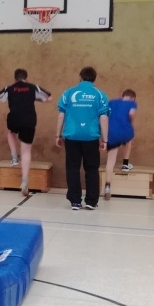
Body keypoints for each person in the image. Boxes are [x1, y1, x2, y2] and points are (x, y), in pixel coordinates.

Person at [55, 67, 110, 210]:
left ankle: (75, 201)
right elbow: (104, 118)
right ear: (94, 79)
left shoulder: (68, 93)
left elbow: (61, 115)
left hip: (72, 136)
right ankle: (91, 201)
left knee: (72, 168)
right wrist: (105, 140)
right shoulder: (100, 95)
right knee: (92, 169)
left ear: (80, 76)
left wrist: (58, 135)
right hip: (91, 137)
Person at [0, 69, 52, 196]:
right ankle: (25, 181)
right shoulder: (33, 87)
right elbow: (49, 98)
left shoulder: (9, 88)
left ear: (15, 79)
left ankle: (14, 156)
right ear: (26, 78)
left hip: (14, 119)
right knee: (26, 151)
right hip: (29, 121)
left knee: (10, 132)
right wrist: (36, 98)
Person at [103, 89, 138, 199]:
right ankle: (125, 164)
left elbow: (105, 115)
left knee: (111, 160)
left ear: (122, 96)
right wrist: (131, 120)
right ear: (133, 98)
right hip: (125, 131)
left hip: (111, 133)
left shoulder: (111, 102)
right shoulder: (132, 103)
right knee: (129, 140)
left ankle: (107, 186)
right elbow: (131, 113)